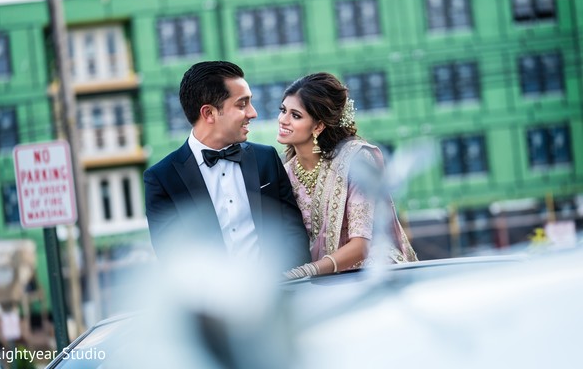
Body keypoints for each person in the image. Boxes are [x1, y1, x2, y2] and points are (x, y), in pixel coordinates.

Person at [144, 61, 311, 271]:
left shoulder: (265, 158)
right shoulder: (162, 178)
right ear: (209, 113)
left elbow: (292, 231)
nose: (253, 113)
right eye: (242, 105)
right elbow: (173, 258)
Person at [277, 72, 417, 279]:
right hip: (320, 283)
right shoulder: (285, 172)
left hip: (369, 275)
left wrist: (308, 271)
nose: (283, 120)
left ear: (318, 126)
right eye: (283, 110)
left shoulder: (355, 162)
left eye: (295, 115)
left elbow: (361, 245)